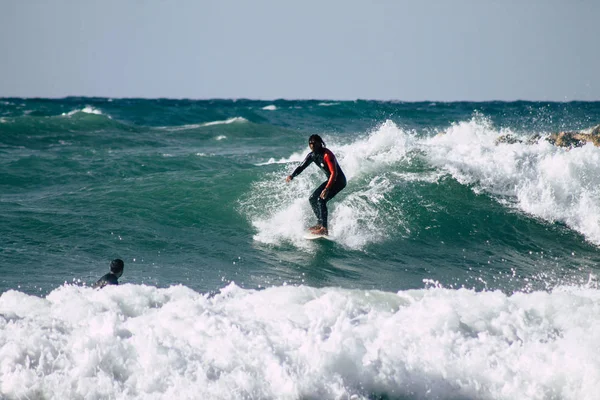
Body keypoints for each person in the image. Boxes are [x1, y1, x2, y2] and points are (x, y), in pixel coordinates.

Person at [286, 134, 346, 235]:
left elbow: (334, 173)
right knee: (312, 199)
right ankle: (320, 223)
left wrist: (327, 189)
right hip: (331, 180)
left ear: (320, 143)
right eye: (310, 143)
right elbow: (301, 167)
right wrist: (292, 176)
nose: (312, 145)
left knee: (321, 199)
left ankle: (324, 229)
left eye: (314, 143)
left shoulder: (327, 155)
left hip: (339, 181)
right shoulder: (312, 155)